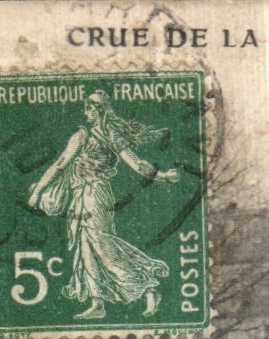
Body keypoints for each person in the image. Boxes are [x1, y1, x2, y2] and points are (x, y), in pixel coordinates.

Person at [26, 91, 181, 320]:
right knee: (85, 246)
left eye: (89, 108)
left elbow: (60, 165)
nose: (85, 113)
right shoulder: (108, 134)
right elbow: (137, 164)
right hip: (83, 195)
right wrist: (164, 176)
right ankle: (97, 302)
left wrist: (38, 192)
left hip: (94, 193)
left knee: (101, 244)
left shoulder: (85, 135)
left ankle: (147, 287)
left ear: (98, 110)